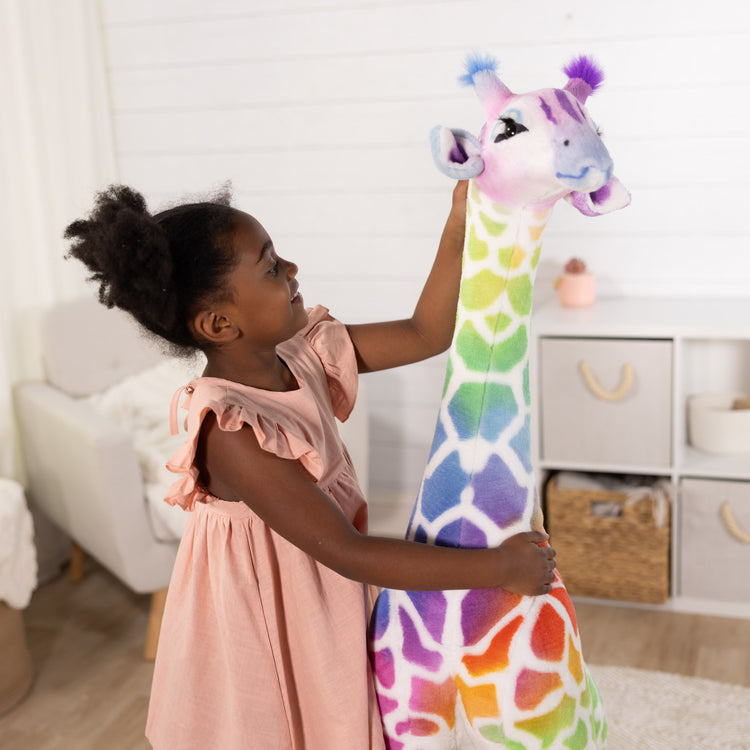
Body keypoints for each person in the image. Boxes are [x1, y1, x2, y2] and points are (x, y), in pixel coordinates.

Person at [64, 181, 556, 750]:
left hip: (321, 582)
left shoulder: (304, 353)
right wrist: (500, 568)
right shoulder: (231, 431)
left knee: (339, 710)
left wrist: (457, 228)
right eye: (272, 267)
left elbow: (428, 333)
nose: (293, 268)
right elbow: (347, 551)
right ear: (220, 325)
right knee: (276, 723)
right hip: (267, 607)